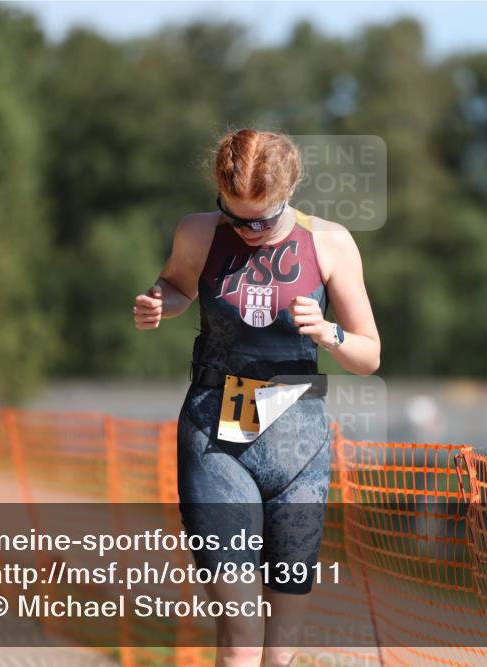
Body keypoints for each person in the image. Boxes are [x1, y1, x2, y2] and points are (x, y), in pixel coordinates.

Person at [134, 128, 380, 667]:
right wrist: (158, 302)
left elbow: (369, 354)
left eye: (262, 220)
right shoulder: (199, 232)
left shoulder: (330, 243)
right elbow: (176, 286)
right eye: (236, 216)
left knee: (280, 649)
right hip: (216, 439)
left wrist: (329, 332)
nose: (248, 231)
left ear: (290, 192)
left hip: (298, 446)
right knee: (241, 639)